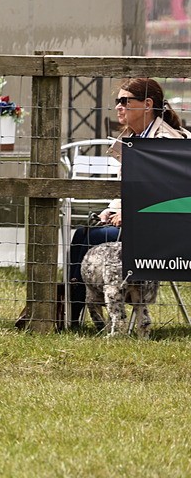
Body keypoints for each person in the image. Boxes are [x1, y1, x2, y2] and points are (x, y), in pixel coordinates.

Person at [66, 77, 188, 328]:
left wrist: (131, 214)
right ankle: (72, 311)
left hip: (162, 230)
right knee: (84, 234)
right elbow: (128, 189)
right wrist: (110, 210)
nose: (118, 107)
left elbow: (170, 194)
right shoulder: (135, 138)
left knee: (87, 237)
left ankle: (73, 313)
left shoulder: (167, 142)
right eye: (117, 101)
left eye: (125, 101)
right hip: (138, 222)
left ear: (147, 104)